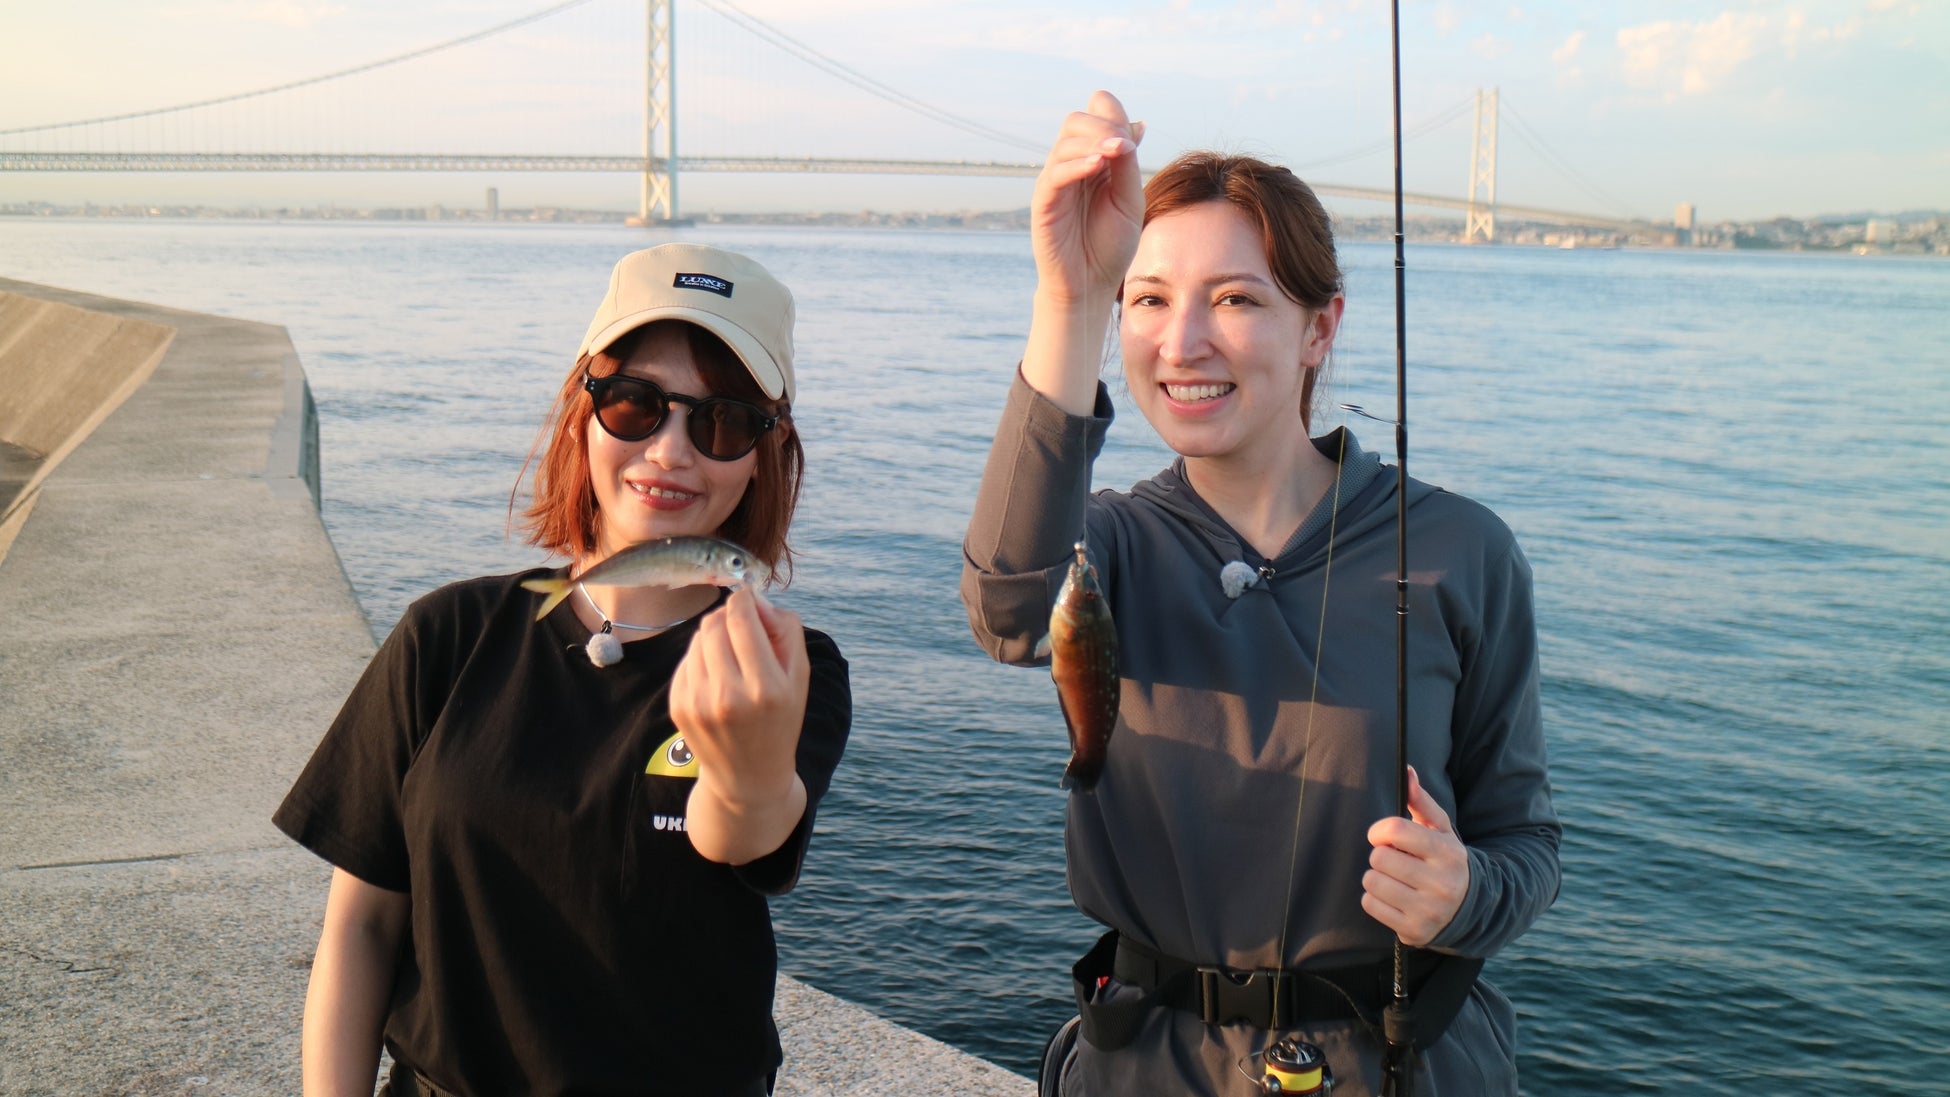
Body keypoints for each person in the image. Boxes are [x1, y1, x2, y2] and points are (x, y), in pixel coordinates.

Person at [961, 91, 1559, 1096]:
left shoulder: (1464, 549)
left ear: (1321, 328)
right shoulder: (1105, 540)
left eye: (1235, 299)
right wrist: (1069, 298)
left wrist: (1462, 894)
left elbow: (1526, 844)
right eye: (1146, 299)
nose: (1182, 341)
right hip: (1148, 1064)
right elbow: (1011, 607)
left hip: (1410, 1061)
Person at [275, 243, 851, 1097]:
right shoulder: (446, 635)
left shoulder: (785, 666)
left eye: (722, 419)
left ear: (766, 452)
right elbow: (361, 924)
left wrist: (749, 765)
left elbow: (743, 835)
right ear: (581, 412)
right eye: (633, 404)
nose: (671, 449)